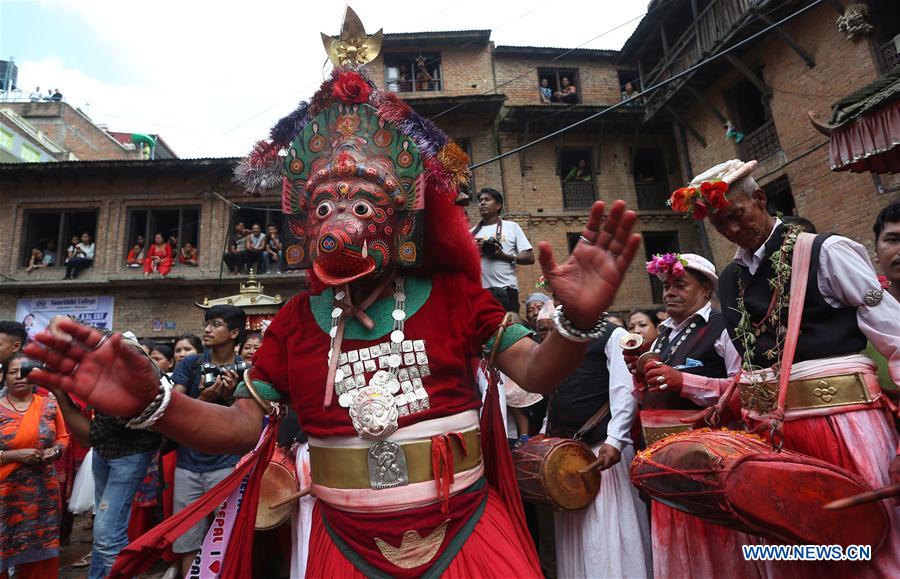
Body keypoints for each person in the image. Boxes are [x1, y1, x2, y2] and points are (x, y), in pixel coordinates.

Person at [24, 56, 641, 579]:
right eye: (322, 207)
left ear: (401, 224)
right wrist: (155, 405)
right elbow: (240, 427)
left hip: (467, 535)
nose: (339, 223)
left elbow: (535, 371)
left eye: (364, 205)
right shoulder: (295, 321)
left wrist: (574, 323)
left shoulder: (454, 295)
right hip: (343, 547)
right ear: (302, 227)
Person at [668, 159, 900, 575]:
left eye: (737, 215)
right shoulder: (730, 279)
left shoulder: (826, 251)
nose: (732, 230)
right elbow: (752, 365)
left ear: (760, 198)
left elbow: (897, 338)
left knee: (870, 551)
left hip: (841, 427)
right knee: (795, 560)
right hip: (771, 440)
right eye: (720, 225)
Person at [627, 253, 758, 579]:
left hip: (706, 461)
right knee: (678, 548)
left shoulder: (724, 326)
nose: (669, 292)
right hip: (664, 462)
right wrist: (642, 377)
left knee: (716, 547)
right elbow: (649, 397)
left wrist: (683, 381)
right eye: (666, 286)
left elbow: (744, 387)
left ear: (706, 290)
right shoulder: (663, 336)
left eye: (680, 285)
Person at [549, 318, 651, 579]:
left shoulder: (613, 335)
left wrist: (615, 439)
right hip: (567, 456)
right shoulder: (558, 338)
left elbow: (624, 391)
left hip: (601, 451)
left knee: (607, 532)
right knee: (577, 534)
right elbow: (555, 395)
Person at [170, 305, 245, 576]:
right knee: (187, 540)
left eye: (216, 324)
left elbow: (251, 421)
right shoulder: (190, 364)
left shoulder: (246, 370)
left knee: (228, 539)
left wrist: (232, 396)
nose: (207, 330)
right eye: (207, 323)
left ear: (234, 333)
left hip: (228, 466)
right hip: (188, 465)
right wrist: (204, 399)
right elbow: (173, 408)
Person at [0, 354, 69, 579]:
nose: (20, 377)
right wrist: (12, 455)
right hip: (4, 493)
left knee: (39, 549)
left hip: (42, 493)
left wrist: (55, 451)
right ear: (3, 376)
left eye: (25, 372)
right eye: (13, 372)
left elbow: (63, 437)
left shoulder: (49, 404)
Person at [471, 188, 535, 312]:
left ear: (498, 205)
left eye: (487, 199)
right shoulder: (471, 233)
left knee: (507, 323)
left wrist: (503, 256)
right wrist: (473, 253)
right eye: (480, 200)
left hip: (506, 290)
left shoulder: (511, 227)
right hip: (479, 292)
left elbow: (530, 257)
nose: (482, 203)